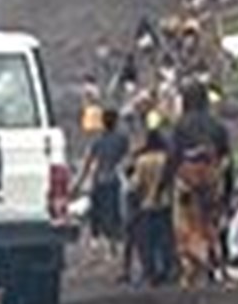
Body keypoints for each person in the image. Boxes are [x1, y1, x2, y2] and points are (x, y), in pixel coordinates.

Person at [168, 82, 229, 288]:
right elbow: (226, 156)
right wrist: (227, 185)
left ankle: (193, 270)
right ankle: (214, 265)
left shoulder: (181, 125)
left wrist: (165, 184)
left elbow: (173, 156)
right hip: (212, 177)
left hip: (187, 178)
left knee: (187, 224)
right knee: (210, 222)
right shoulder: (216, 125)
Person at [76, 107, 130, 250]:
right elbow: (128, 158)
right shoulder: (122, 139)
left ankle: (97, 237)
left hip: (99, 178)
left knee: (97, 209)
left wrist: (78, 182)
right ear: (116, 122)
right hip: (114, 178)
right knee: (114, 210)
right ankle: (114, 240)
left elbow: (88, 161)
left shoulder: (98, 141)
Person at [129, 128, 175, 287]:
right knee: (166, 241)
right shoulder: (166, 159)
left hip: (147, 206)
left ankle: (151, 273)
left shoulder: (142, 161)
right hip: (166, 205)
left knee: (148, 242)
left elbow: (135, 186)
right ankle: (167, 270)